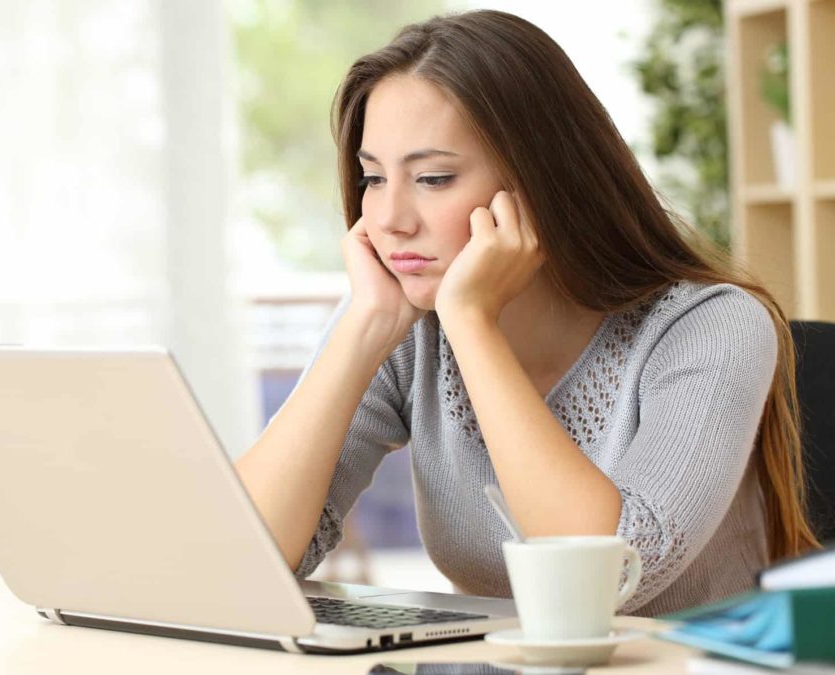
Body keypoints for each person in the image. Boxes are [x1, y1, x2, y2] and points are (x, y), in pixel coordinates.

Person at [234, 9, 819, 617]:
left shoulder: (712, 328)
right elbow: (240, 563)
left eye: (433, 178)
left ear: (541, 179)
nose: (388, 219)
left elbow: (604, 581)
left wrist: (472, 322)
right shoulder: (403, 324)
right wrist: (362, 331)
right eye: (373, 178)